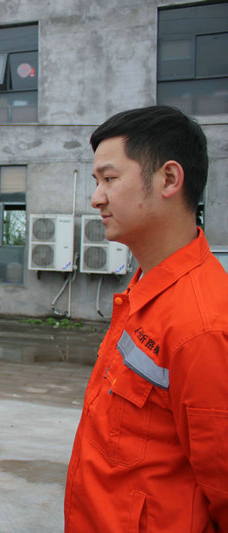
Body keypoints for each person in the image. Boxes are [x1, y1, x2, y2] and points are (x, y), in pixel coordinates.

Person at [65, 105, 228, 532]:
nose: (96, 198)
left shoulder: (203, 325)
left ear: (169, 179)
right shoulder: (147, 290)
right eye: (96, 181)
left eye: (109, 179)